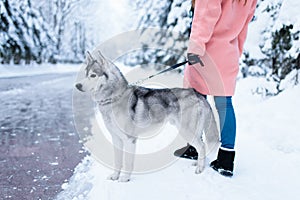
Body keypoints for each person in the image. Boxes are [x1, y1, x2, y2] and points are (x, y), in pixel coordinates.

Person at [174, 0, 257, 177]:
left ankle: (194, 147)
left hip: (207, 53)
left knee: (196, 99)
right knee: (224, 103)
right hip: (228, 53)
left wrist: (195, 50)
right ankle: (226, 159)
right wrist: (236, 52)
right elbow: (243, 29)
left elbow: (205, 18)